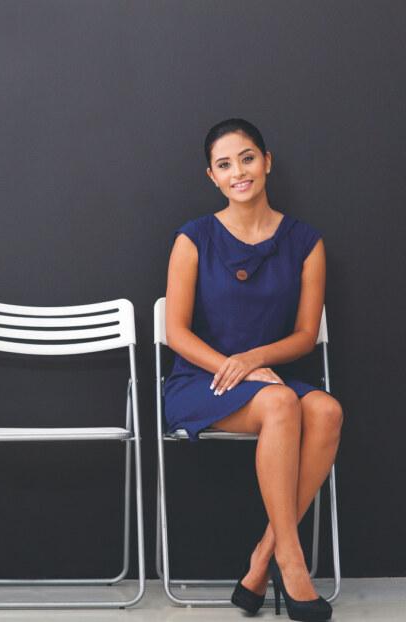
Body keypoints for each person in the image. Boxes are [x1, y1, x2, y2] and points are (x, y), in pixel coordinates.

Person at [163, 119, 342, 621]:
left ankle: (261, 560)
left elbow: (306, 334)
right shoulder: (193, 237)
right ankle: (292, 560)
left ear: (267, 160)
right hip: (203, 380)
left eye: (246, 158)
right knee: (283, 402)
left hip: (265, 375)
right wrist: (233, 367)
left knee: (326, 411)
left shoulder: (306, 241)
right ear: (212, 177)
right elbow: (176, 333)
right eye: (224, 165)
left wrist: (254, 360)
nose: (238, 171)